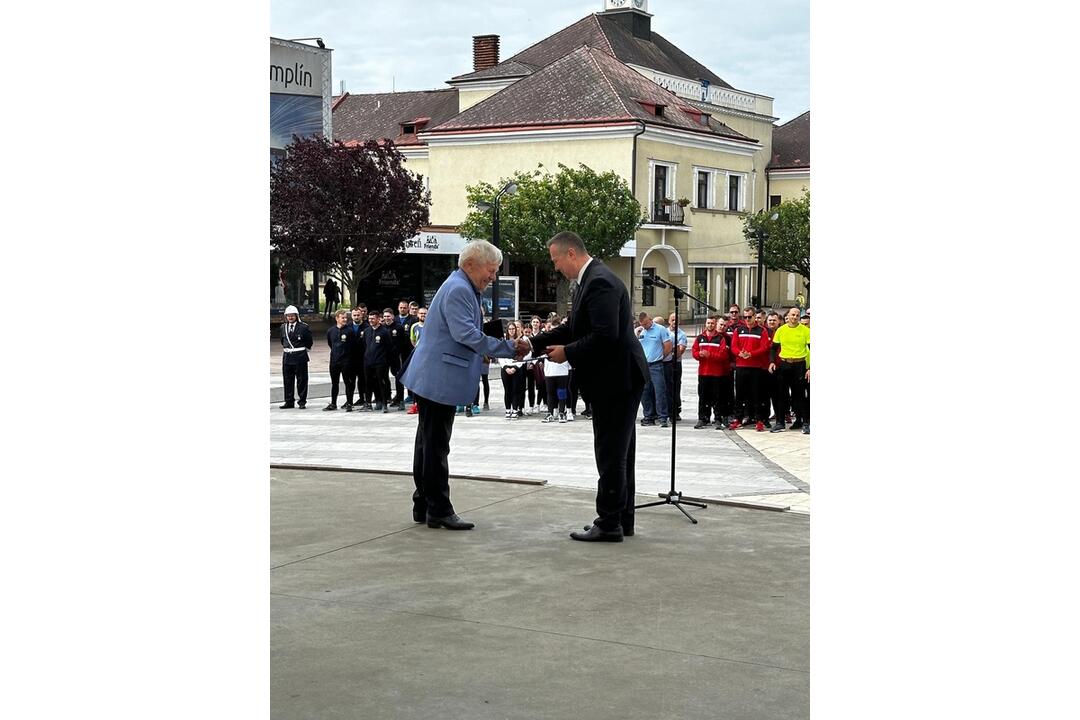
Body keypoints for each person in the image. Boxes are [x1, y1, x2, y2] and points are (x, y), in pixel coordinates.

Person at [525, 231, 648, 542]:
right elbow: (573, 326)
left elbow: (606, 335)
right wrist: (533, 342)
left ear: (570, 254)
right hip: (617, 377)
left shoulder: (600, 281)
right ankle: (621, 519)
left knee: (611, 453)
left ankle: (608, 523)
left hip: (617, 380)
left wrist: (568, 352)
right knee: (620, 453)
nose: (555, 268)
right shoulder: (590, 279)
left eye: (555, 261)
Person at [399, 239, 524, 530]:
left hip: (433, 377)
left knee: (427, 444)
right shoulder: (458, 289)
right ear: (470, 265)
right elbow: (465, 334)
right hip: (438, 378)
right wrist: (507, 347)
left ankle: (424, 503)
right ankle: (439, 509)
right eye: (491, 270)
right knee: (436, 447)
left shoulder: (461, 285)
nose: (493, 277)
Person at [730, 307, 772, 431]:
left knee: (757, 394)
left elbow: (764, 347)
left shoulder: (762, 331)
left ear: (754, 317)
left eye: (750, 317)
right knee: (740, 394)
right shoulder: (739, 330)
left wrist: (751, 354)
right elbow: (734, 346)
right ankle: (738, 418)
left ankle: (759, 420)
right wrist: (740, 353)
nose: (747, 319)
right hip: (741, 366)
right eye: (745, 317)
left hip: (756, 367)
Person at [769, 307, 810, 433]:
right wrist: (771, 362)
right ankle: (780, 422)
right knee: (782, 394)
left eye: (797, 315)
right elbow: (773, 348)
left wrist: (811, 368)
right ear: (789, 316)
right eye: (793, 315)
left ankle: (804, 422)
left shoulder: (805, 330)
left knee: (799, 395)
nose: (795, 317)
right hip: (784, 364)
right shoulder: (781, 330)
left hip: (799, 364)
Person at [635, 312, 672, 428]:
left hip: (656, 364)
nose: (645, 326)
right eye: (642, 324)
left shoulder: (660, 329)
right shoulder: (640, 331)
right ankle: (648, 416)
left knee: (660, 391)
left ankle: (663, 417)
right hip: (643, 365)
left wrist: (661, 357)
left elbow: (668, 346)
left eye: (646, 323)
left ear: (650, 319)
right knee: (645, 392)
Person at [691, 314, 728, 429]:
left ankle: (717, 419)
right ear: (705, 324)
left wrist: (710, 355)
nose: (710, 325)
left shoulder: (720, 338)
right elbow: (694, 351)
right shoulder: (700, 337)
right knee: (703, 397)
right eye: (708, 323)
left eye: (712, 323)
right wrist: (699, 355)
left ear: (715, 324)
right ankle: (703, 418)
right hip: (703, 372)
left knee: (717, 397)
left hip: (717, 373)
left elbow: (723, 355)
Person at [279, 305, 313, 409]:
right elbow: (282, 341)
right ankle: (289, 401)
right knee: (287, 380)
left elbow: (309, 342)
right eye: (288, 316)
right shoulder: (283, 327)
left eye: (292, 316)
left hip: (300, 357)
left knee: (302, 380)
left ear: (296, 316)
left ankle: (302, 401)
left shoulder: (303, 327)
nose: (290, 318)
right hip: (287, 357)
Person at [324, 310, 358, 411]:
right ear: (337, 318)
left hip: (346, 361)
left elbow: (353, 346)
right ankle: (333, 403)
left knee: (348, 382)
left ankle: (349, 403)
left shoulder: (350, 331)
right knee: (335, 383)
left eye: (346, 318)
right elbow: (330, 344)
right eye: (342, 318)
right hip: (334, 361)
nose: (345, 320)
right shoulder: (331, 331)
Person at [363, 310, 392, 412]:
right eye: (369, 319)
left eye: (373, 319)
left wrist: (386, 361)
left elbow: (389, 348)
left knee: (382, 383)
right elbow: (364, 346)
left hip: (380, 362)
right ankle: (369, 403)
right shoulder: (367, 331)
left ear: (378, 319)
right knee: (369, 383)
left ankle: (384, 404)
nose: (371, 321)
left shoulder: (384, 332)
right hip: (368, 362)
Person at [664, 312, 688, 422]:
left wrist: (670, 350)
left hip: (676, 364)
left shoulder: (682, 334)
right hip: (665, 363)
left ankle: (676, 411)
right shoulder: (664, 332)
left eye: (676, 320)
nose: (674, 322)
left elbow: (681, 350)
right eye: (672, 320)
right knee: (665, 387)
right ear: (669, 321)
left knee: (675, 387)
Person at [345, 307, 367, 411]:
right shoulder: (347, 327)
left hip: (363, 358)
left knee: (363, 380)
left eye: (358, 315)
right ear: (351, 316)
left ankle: (363, 399)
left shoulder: (366, 327)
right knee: (350, 381)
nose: (356, 317)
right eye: (354, 315)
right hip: (350, 359)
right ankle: (349, 401)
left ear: (361, 315)